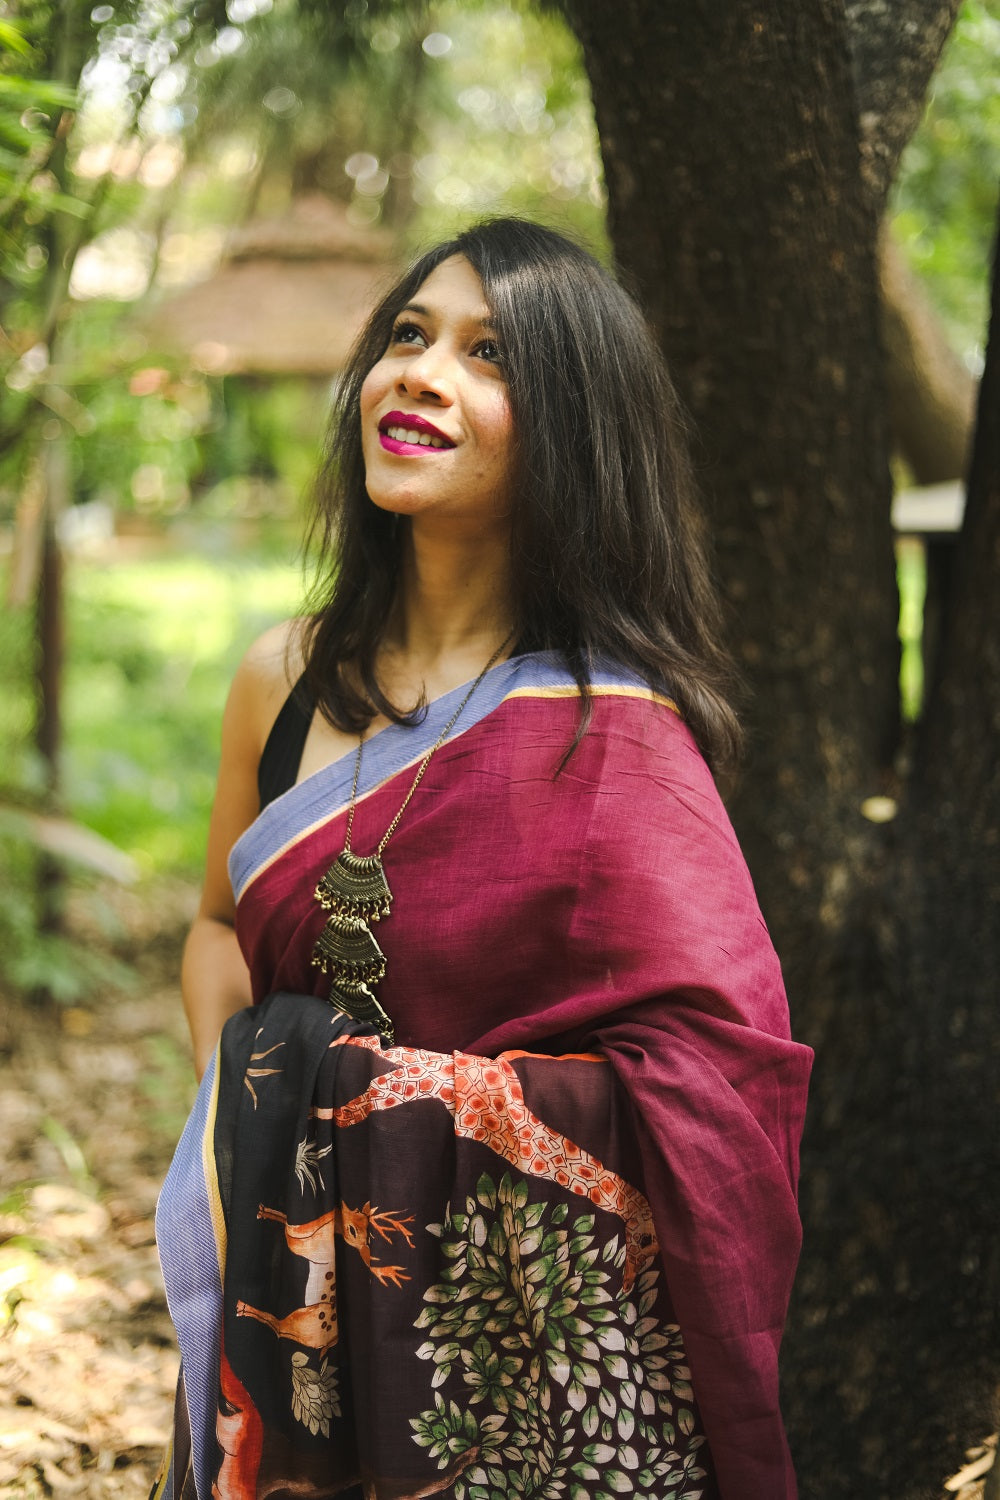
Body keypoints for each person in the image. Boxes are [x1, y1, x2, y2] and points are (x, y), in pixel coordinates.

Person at [153, 218, 812, 1500]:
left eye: (487, 353)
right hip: (277, 1286)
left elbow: (719, 1078)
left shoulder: (616, 737)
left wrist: (391, 1114)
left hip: (500, 1362)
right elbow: (217, 926)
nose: (420, 374)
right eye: (408, 336)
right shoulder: (277, 681)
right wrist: (251, 1111)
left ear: (573, 427)